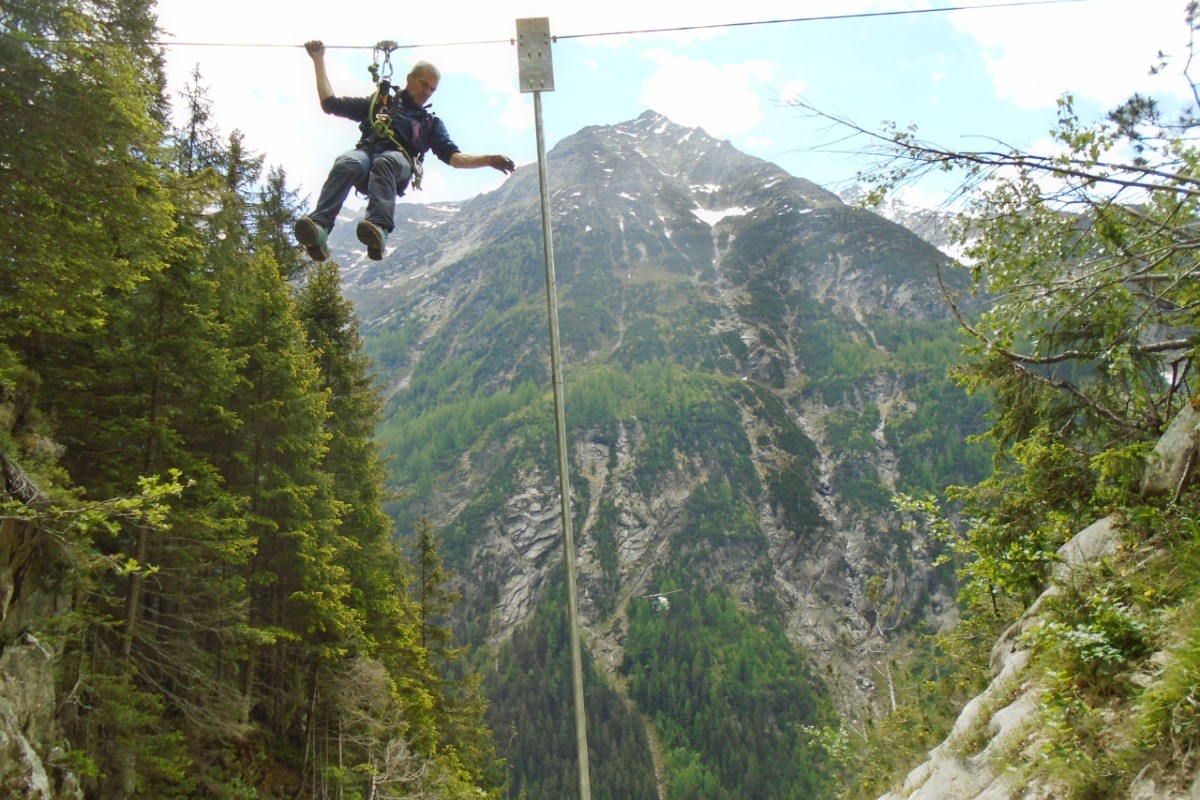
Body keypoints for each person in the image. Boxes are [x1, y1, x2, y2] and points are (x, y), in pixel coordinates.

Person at [295, 40, 516, 261]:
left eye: (432, 89)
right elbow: (330, 104)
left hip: (397, 164)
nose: (427, 92)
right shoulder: (378, 104)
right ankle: (319, 228)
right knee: (346, 162)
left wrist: (489, 159)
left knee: (386, 162)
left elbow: (455, 158)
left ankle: (378, 229)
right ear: (410, 78)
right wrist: (318, 60)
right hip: (366, 155)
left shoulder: (429, 123)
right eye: (424, 84)